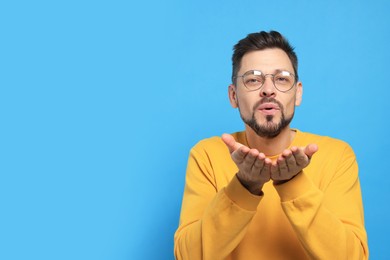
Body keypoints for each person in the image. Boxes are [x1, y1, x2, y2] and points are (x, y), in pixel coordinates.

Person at [174, 30, 368, 260]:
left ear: (297, 94)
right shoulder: (206, 155)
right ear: (233, 96)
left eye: (282, 78)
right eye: (253, 79)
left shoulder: (337, 156)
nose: (268, 89)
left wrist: (293, 183)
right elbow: (188, 257)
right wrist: (244, 186)